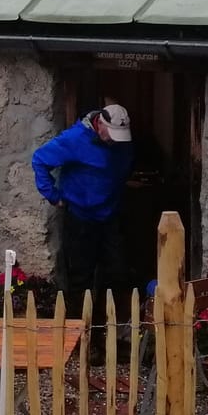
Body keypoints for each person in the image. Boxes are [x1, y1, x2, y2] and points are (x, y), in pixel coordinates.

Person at [32, 103, 134, 316]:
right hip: (81, 217)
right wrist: (52, 195)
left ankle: (108, 328)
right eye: (112, 134)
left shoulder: (121, 144)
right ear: (100, 124)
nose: (115, 140)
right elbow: (40, 159)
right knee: (80, 277)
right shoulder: (74, 139)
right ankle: (81, 331)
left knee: (117, 272)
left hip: (111, 215)